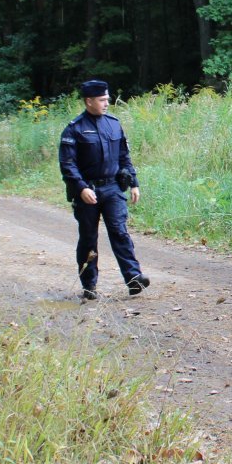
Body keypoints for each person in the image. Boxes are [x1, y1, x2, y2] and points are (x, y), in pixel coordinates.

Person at [59, 80, 150, 300]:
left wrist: (134, 183)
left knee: (120, 232)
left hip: (112, 188)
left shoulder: (114, 124)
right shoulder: (75, 129)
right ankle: (89, 286)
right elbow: (68, 164)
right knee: (89, 238)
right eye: (102, 100)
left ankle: (134, 278)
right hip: (88, 191)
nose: (107, 103)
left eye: (107, 99)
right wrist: (80, 188)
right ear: (88, 101)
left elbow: (124, 157)